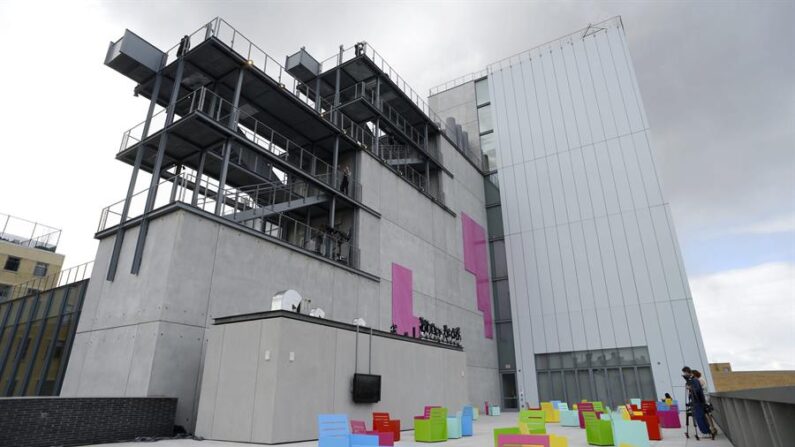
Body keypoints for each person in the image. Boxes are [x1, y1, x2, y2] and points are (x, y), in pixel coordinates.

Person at [682, 366, 712, 436]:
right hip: (698, 400)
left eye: (684, 372)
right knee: (701, 416)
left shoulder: (694, 380)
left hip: (697, 401)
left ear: (687, 372)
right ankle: (707, 431)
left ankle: (705, 432)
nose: (684, 374)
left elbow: (697, 389)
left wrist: (690, 387)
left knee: (699, 417)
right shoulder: (693, 379)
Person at [692, 370, 718, 435]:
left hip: (704, 399)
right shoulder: (699, 380)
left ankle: (712, 428)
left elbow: (698, 389)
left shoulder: (700, 380)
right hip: (704, 399)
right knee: (707, 414)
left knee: (707, 414)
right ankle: (712, 428)